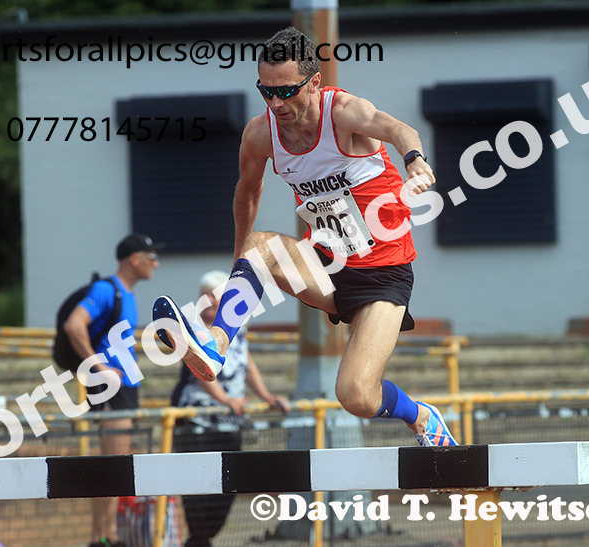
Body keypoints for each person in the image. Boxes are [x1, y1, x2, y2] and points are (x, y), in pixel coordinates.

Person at [152, 26, 456, 448]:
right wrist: (240, 265)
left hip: (384, 273)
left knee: (355, 395)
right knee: (259, 246)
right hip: (327, 267)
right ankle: (216, 346)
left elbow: (400, 129)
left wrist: (416, 162)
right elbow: (248, 191)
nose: (276, 103)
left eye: (288, 91)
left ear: (314, 82)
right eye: (266, 91)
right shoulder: (261, 134)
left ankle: (421, 416)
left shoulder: (344, 112)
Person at [171, 270, 290, 547]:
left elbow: (247, 366)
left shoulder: (237, 327)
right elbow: (200, 372)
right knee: (197, 488)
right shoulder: (191, 329)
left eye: (217, 295)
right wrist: (226, 400)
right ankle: (200, 540)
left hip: (230, 422)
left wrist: (267, 396)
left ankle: (201, 540)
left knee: (229, 484)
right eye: (207, 294)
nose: (211, 300)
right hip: (198, 421)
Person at [64, 233, 161, 547]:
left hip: (126, 386)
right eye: (151, 256)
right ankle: (101, 537)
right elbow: (74, 325)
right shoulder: (107, 290)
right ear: (135, 258)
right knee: (112, 464)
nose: (155, 264)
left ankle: (110, 534)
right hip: (111, 388)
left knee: (118, 464)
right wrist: (99, 366)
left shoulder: (128, 295)